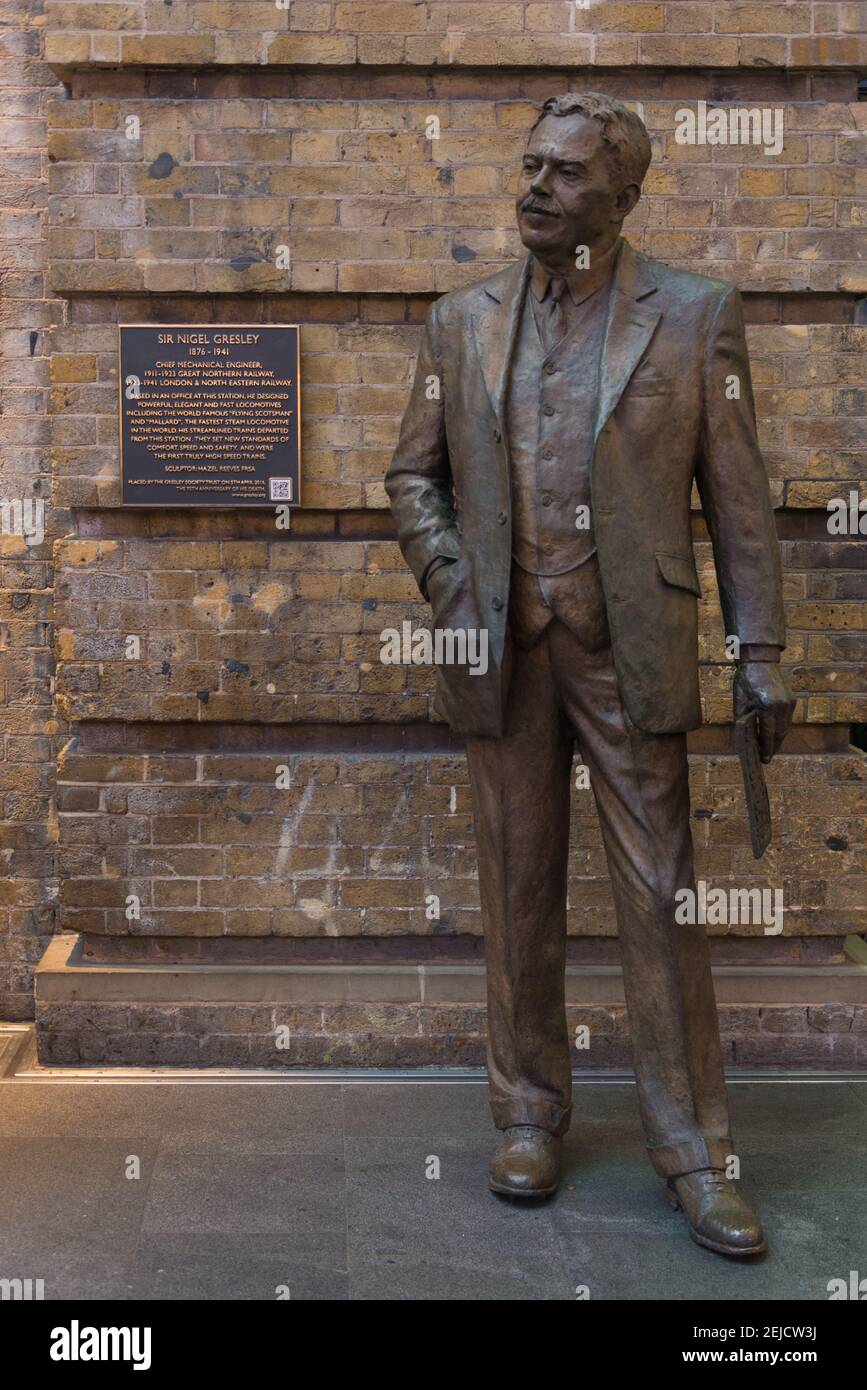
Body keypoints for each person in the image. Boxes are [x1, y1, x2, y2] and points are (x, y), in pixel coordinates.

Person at [385, 93, 794, 1257]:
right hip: (500, 641)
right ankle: (526, 1115)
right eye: (530, 166)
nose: (535, 187)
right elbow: (411, 479)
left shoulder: (697, 316)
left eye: (564, 174)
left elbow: (740, 498)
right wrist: (456, 584)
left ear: (622, 195)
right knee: (518, 887)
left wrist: (758, 646)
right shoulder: (458, 320)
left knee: (663, 899)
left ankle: (696, 1150)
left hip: (631, 646)